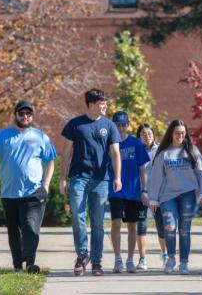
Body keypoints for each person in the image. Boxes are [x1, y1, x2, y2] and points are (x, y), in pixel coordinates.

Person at [0, 100, 56, 274]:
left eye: (28, 114)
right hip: (9, 192)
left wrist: (46, 185)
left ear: (32, 116)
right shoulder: (3, 135)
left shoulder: (41, 137)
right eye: (21, 114)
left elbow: (50, 162)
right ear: (15, 115)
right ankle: (17, 265)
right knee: (14, 231)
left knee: (30, 226)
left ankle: (30, 263)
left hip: (34, 192)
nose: (25, 117)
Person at [60, 88, 122, 277]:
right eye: (102, 103)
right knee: (78, 217)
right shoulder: (75, 124)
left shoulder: (109, 126)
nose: (105, 107)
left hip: (101, 180)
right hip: (79, 177)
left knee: (97, 223)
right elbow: (66, 152)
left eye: (106, 103)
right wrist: (63, 178)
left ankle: (96, 262)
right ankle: (82, 256)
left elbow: (115, 153)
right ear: (91, 105)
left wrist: (117, 177)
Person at [149, 119, 202, 275]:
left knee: (184, 230)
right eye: (177, 133)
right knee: (169, 226)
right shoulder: (163, 153)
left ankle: (184, 262)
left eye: (183, 133)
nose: (180, 136)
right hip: (167, 196)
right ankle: (170, 258)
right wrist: (153, 199)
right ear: (171, 134)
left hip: (187, 195)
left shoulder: (192, 150)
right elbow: (156, 177)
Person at [107, 112, 150, 274]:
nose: (121, 128)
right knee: (116, 222)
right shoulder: (109, 144)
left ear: (128, 125)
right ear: (113, 125)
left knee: (133, 225)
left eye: (124, 124)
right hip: (116, 191)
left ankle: (130, 259)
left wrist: (144, 190)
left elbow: (142, 169)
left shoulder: (136, 143)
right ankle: (118, 259)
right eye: (117, 125)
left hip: (134, 192)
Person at [135, 123, 168, 270]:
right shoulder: (136, 150)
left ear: (153, 135)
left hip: (158, 194)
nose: (146, 136)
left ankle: (165, 255)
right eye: (143, 134)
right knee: (141, 227)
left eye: (149, 133)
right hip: (141, 194)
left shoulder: (161, 149)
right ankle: (142, 259)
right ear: (138, 137)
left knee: (161, 227)